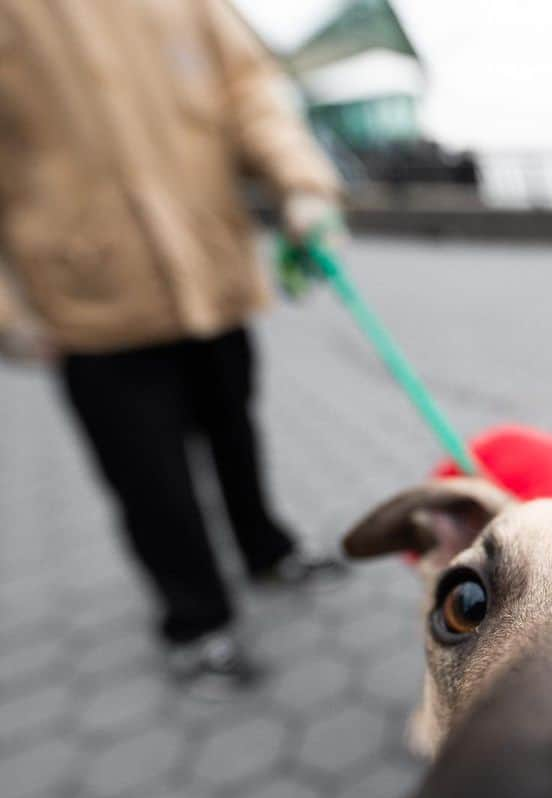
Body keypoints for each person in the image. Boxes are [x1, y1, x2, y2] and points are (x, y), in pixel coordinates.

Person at [0, 0, 346, 686]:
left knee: (236, 432)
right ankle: (196, 621)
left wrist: (301, 185)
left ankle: (266, 551)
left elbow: (250, 89)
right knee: (148, 478)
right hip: (91, 300)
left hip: (211, 273)